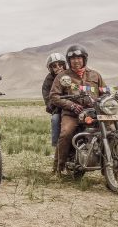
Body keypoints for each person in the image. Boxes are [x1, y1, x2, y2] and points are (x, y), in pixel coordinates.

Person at [49, 44, 106, 174]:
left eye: (79, 58)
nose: (76, 61)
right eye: (73, 59)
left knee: (111, 130)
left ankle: (111, 165)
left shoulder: (95, 75)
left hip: (94, 112)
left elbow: (104, 91)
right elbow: (54, 96)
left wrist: (108, 98)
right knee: (66, 133)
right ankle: (59, 168)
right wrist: (71, 105)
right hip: (72, 113)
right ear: (69, 61)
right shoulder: (63, 76)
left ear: (84, 59)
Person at [41, 53, 67, 171]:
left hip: (74, 107)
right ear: (50, 68)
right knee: (56, 119)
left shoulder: (70, 75)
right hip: (58, 109)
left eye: (61, 64)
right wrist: (56, 104)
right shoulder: (48, 81)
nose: (58, 67)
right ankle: (57, 145)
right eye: (55, 66)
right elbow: (48, 99)